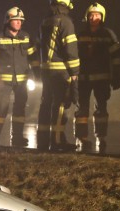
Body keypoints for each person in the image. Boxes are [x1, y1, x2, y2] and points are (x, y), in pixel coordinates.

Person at [0, 7, 40, 146]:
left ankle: (18, 137)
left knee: (20, 109)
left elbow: (34, 57)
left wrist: (38, 73)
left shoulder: (26, 37)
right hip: (4, 81)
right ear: (8, 21)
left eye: (20, 20)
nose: (19, 23)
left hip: (22, 81)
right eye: (16, 20)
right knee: (1, 108)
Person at [73, 2, 120, 153]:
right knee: (82, 109)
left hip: (102, 79)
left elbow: (116, 56)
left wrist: (117, 75)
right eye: (92, 15)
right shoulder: (80, 35)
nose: (94, 18)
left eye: (97, 15)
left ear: (102, 17)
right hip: (83, 78)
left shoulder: (108, 35)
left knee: (101, 109)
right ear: (87, 18)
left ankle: (101, 136)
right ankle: (81, 137)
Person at [37, 0, 81, 152]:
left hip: (46, 71)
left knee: (46, 103)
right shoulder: (66, 22)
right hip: (61, 72)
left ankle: (42, 140)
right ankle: (57, 141)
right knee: (61, 105)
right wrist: (75, 73)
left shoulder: (45, 21)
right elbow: (70, 49)